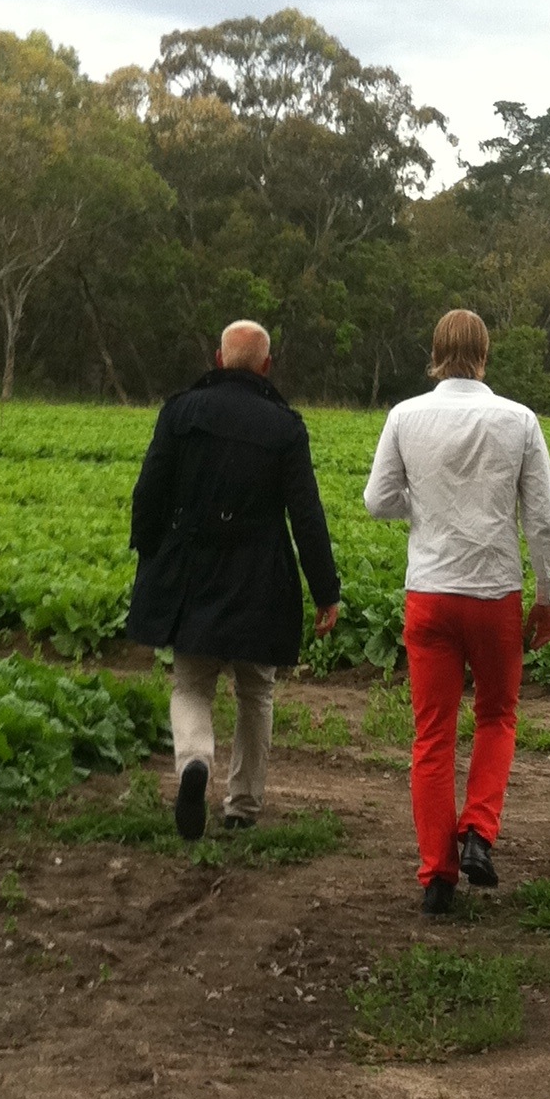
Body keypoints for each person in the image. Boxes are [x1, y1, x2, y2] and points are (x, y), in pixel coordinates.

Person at [363, 307, 550, 915]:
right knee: (497, 715)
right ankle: (478, 830)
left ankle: (437, 879)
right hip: (494, 594)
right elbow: (544, 518)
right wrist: (548, 594)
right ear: (485, 353)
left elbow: (377, 500)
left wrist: (425, 509)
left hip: (429, 594)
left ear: (435, 352)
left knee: (432, 737)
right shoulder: (518, 419)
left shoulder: (405, 416)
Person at [126, 320, 341, 839]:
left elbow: (149, 489)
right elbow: (305, 514)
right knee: (256, 690)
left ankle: (194, 761)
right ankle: (242, 805)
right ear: (267, 366)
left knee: (191, 683)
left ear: (219, 359)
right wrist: (325, 589)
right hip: (260, 573)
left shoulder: (180, 411)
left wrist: (150, 552)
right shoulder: (285, 426)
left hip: (191, 568)